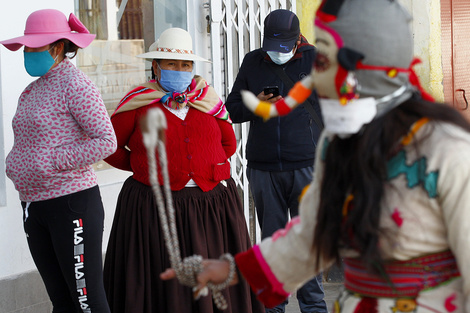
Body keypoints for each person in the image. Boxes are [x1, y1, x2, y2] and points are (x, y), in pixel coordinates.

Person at [162, 0, 470, 312]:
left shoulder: (444, 147)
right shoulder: (337, 144)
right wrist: (234, 270)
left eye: (326, 57)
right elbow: (312, 236)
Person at [102, 27, 264, 313]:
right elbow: (110, 146)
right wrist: (142, 167)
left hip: (210, 206)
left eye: (185, 65)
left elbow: (228, 143)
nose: (180, 70)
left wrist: (205, 168)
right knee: (165, 278)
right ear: (156, 66)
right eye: (172, 64)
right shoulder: (138, 102)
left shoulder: (207, 100)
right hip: (155, 207)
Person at [0, 9, 117, 313]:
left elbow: (106, 141)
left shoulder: (75, 85)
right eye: (26, 47)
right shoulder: (31, 91)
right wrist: (16, 164)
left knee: (86, 302)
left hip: (71, 204)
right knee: (61, 300)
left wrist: (52, 161)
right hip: (34, 205)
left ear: (57, 47)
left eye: (33, 47)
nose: (27, 53)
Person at [224, 8, 326, 313]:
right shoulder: (253, 62)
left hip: (308, 166)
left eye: (283, 48)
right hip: (263, 168)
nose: (276, 54)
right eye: (272, 46)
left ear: (297, 41)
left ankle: (314, 308)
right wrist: (258, 104)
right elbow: (232, 109)